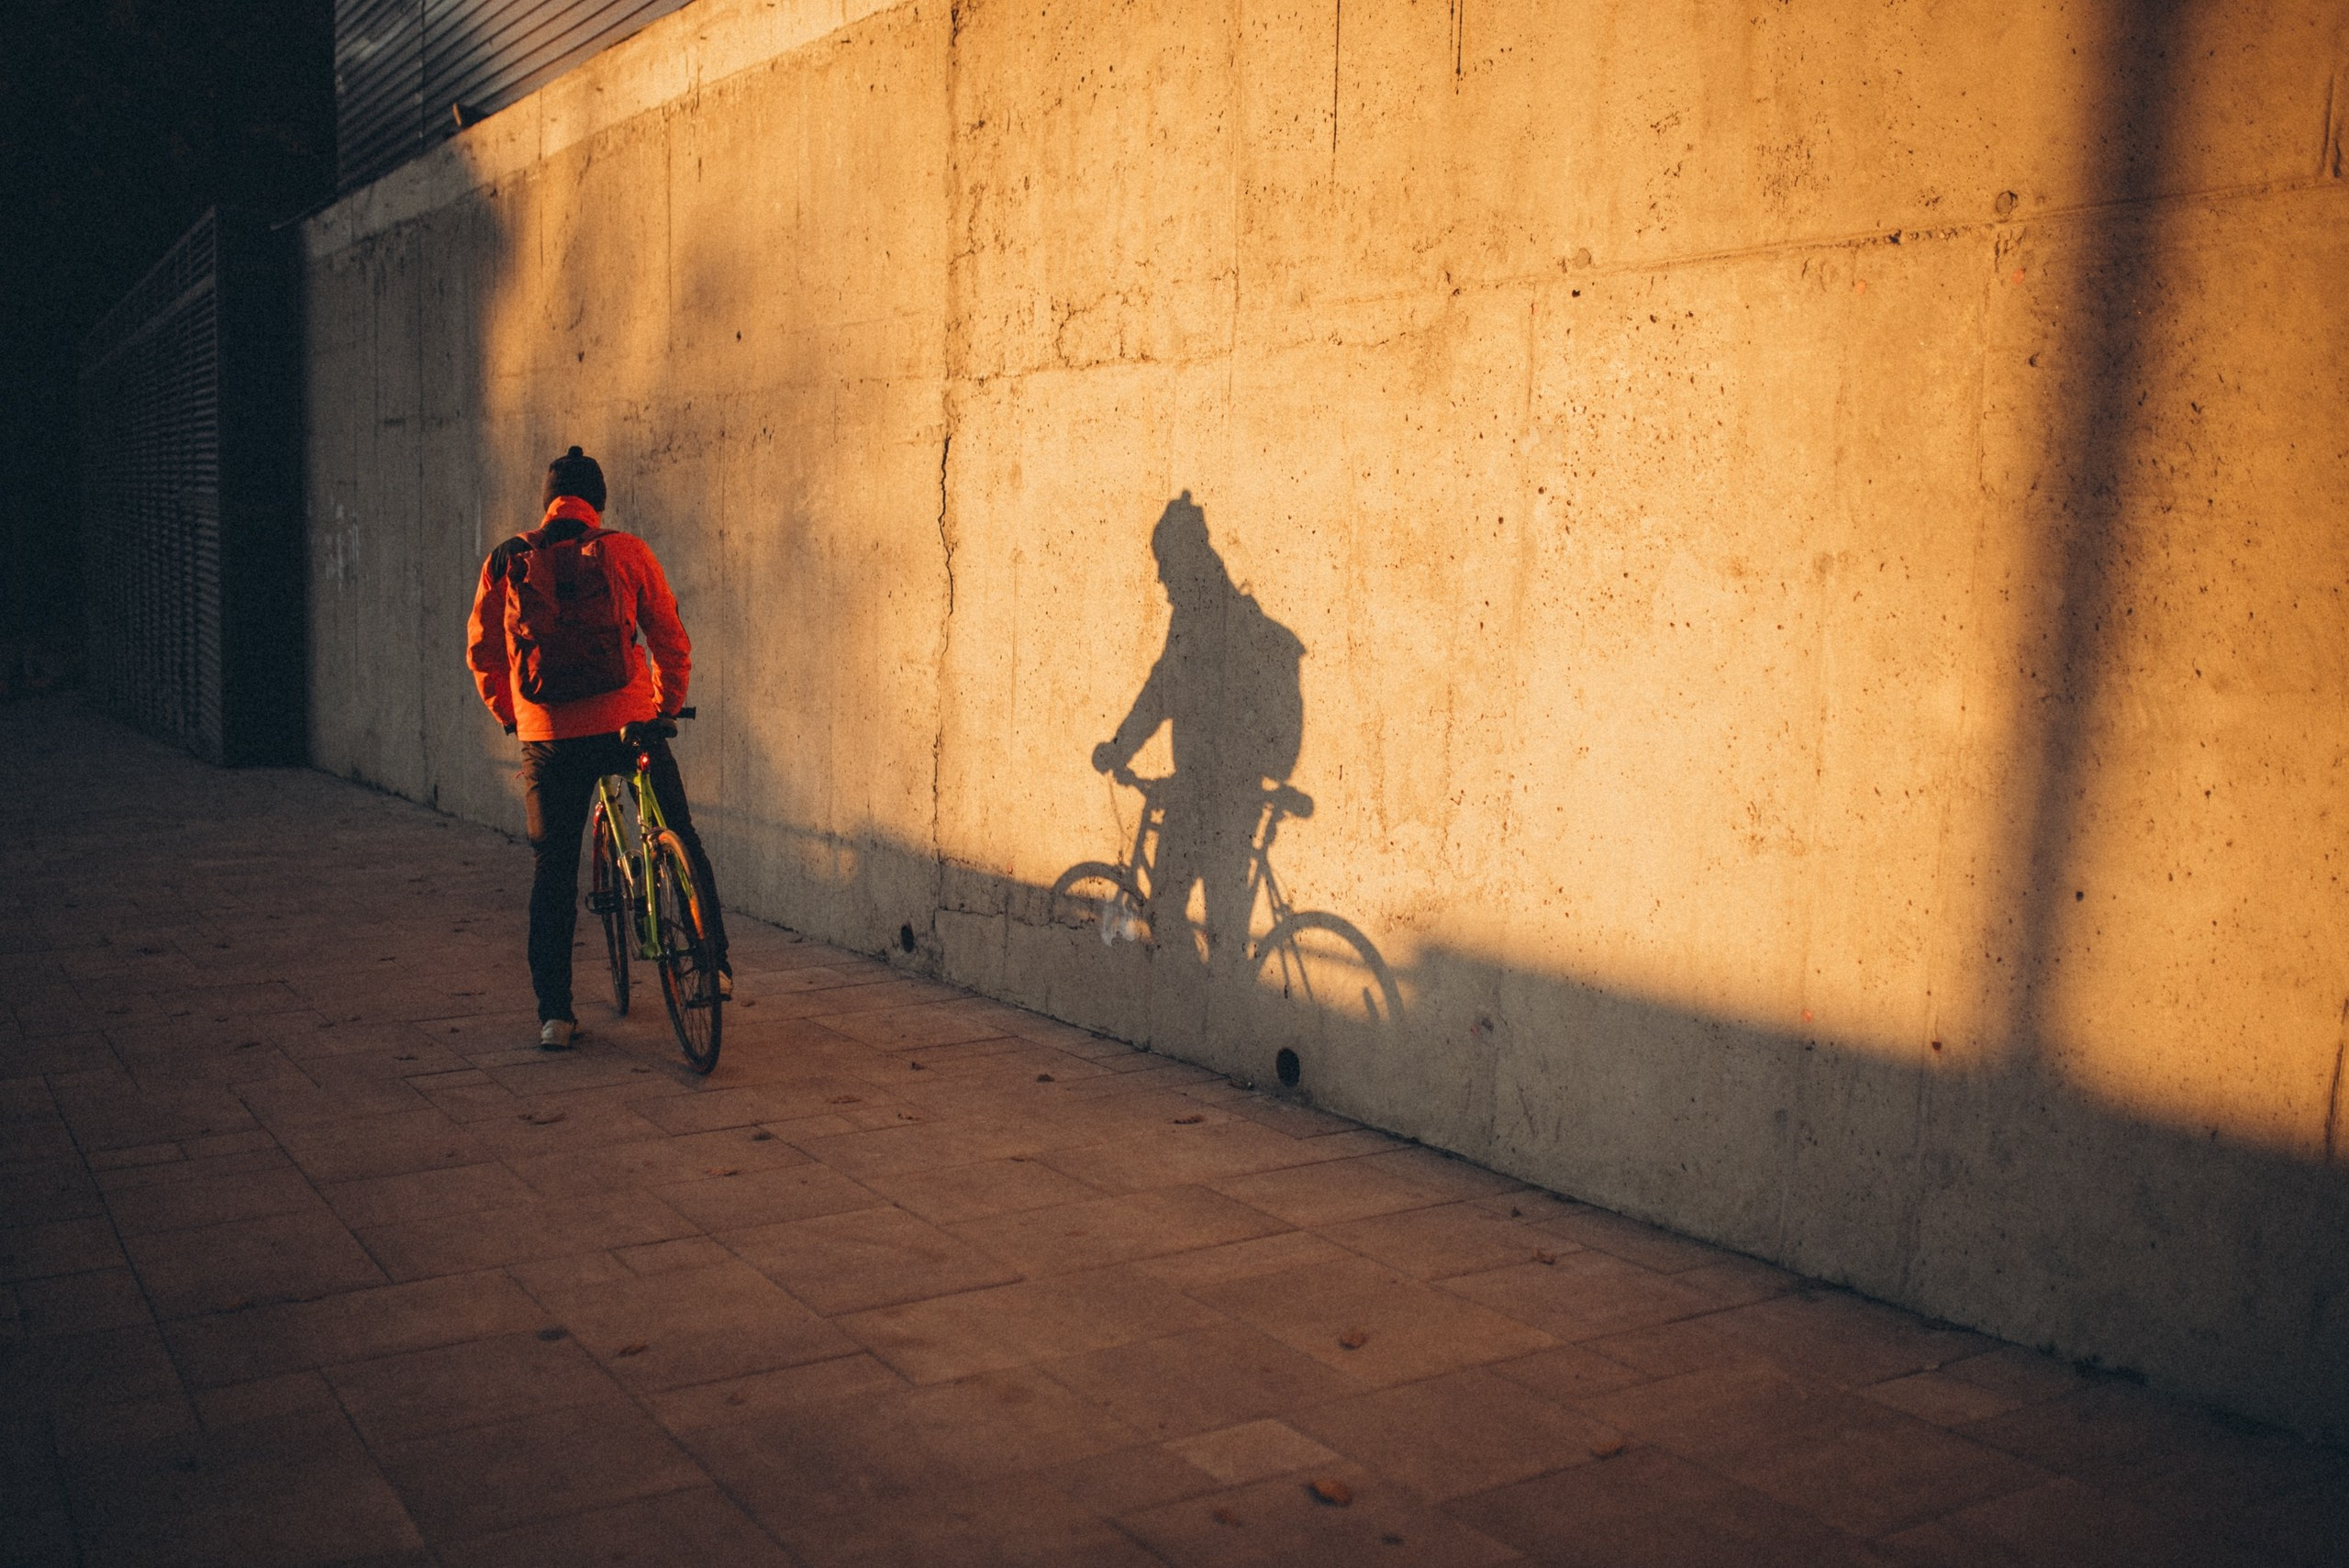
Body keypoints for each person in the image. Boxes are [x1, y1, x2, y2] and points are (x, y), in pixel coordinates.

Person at [465, 446, 729, 1049]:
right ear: (598, 503)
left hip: (548, 738)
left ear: (547, 503)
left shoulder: (505, 558)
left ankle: (556, 1016)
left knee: (553, 869)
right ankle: (714, 964)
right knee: (679, 831)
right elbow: (670, 636)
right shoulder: (627, 550)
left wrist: (512, 716)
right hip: (626, 726)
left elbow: (482, 651)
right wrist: (665, 705)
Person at [1091, 492, 1305, 977]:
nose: (1161, 577)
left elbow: (1163, 693)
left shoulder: (1206, 617)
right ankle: (1211, 1003)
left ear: (1184, 557)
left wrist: (1120, 749)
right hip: (1220, 790)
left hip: (1214, 794)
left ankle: (1207, 1007)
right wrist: (1125, 747)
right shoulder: (1207, 609)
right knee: (1212, 926)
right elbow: (1165, 689)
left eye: (1165, 563)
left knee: (1173, 912)